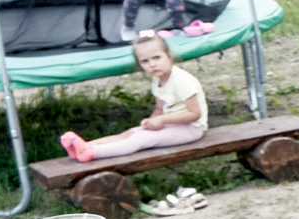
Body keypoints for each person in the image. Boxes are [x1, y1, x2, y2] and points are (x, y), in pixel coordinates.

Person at [59, 30, 205, 163]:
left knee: (142, 138)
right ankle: (84, 145)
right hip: (172, 124)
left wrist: (162, 120)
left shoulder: (181, 80)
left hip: (191, 128)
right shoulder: (158, 78)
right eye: (145, 61)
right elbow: (160, 108)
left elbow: (195, 114)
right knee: (129, 134)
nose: (152, 64)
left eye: (157, 58)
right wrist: (152, 121)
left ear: (169, 56)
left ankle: (93, 152)